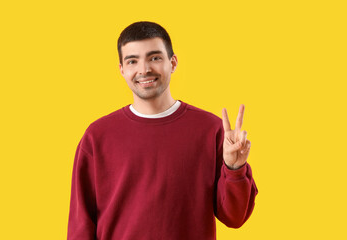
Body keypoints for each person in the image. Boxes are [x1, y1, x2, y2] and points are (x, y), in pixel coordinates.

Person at [67, 21, 258, 240]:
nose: (144, 69)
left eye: (155, 58)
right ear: (122, 69)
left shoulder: (211, 129)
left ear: (173, 62)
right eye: (132, 61)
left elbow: (235, 217)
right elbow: (80, 225)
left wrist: (234, 168)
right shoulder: (97, 136)